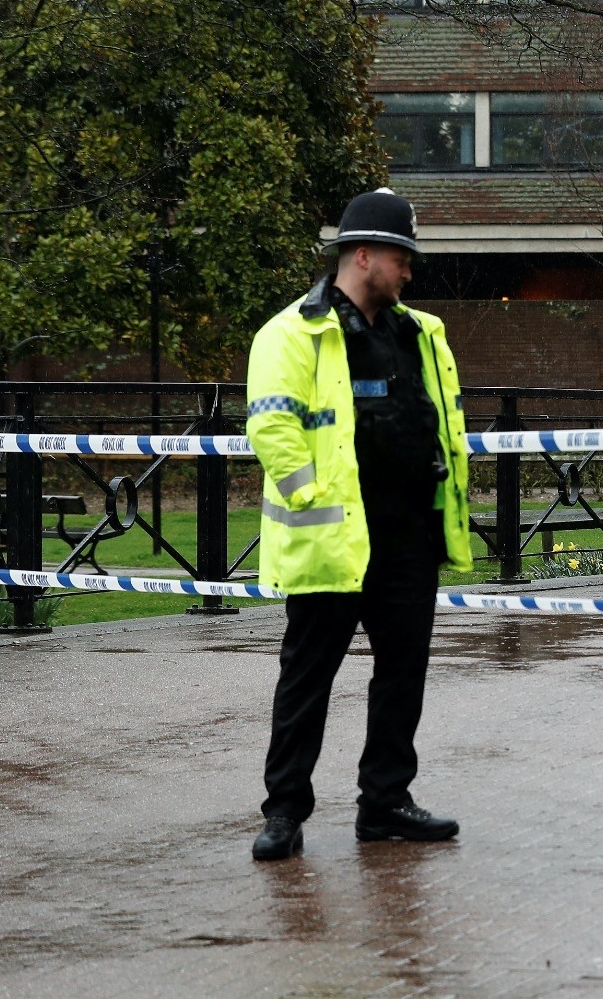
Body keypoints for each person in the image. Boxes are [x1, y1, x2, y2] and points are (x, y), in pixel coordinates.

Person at [246, 188, 473, 862]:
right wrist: (317, 499)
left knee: (403, 675)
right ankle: (284, 812)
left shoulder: (419, 334)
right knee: (306, 680)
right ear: (364, 254)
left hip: (407, 537)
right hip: (334, 540)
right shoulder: (293, 333)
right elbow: (273, 428)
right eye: (402, 258)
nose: (409, 271)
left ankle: (386, 804)